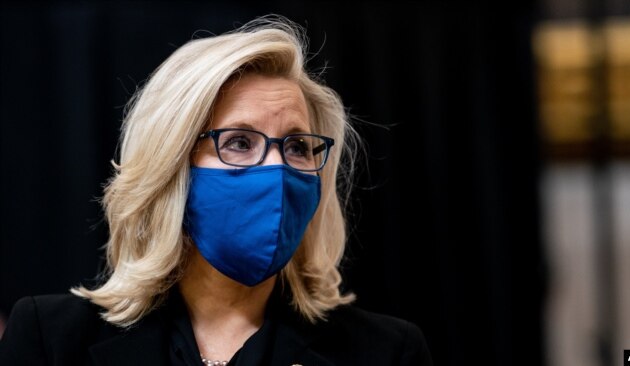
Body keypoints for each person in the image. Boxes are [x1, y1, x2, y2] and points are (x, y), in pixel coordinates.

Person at [0, 16, 433, 366]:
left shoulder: (387, 350)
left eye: (298, 146)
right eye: (239, 143)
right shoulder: (51, 337)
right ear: (172, 165)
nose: (278, 168)